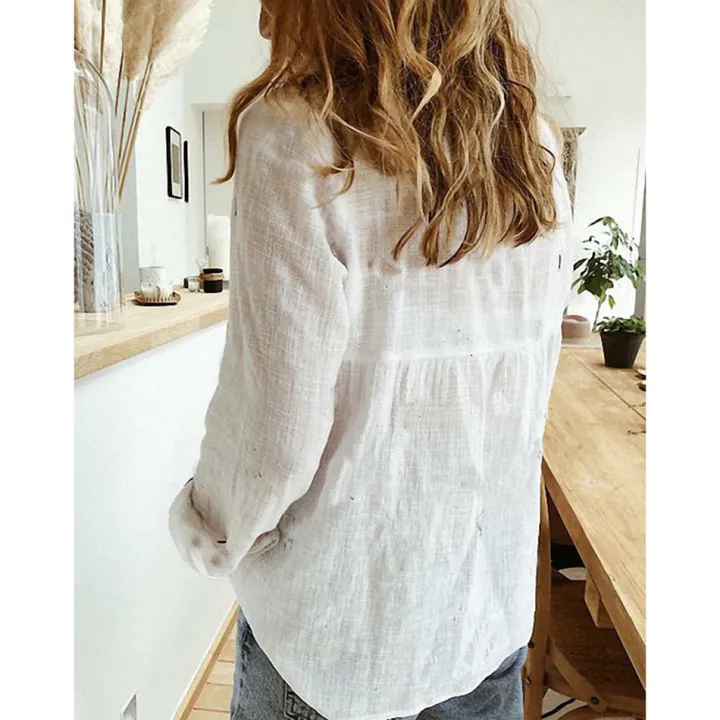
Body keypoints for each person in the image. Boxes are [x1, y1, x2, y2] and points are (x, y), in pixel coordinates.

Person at [169, 1, 573, 719]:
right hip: (482, 620)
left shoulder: (296, 138)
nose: (262, 17)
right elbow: (525, 388)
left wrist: (206, 526)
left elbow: (272, 433)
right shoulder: (528, 145)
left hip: (339, 632)